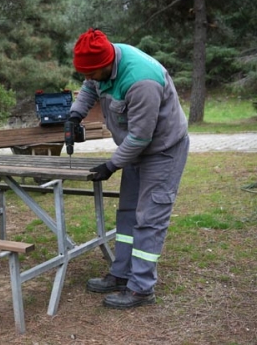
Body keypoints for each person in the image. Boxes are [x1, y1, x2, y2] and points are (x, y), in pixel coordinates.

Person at [66, 28, 189, 309]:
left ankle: (142, 288)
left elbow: (141, 137)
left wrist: (111, 165)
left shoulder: (141, 80)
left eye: (91, 73)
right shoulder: (100, 65)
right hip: (134, 150)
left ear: (106, 64)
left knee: (149, 217)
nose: (88, 79)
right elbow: (89, 88)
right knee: (127, 212)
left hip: (163, 150)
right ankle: (121, 274)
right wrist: (75, 114)